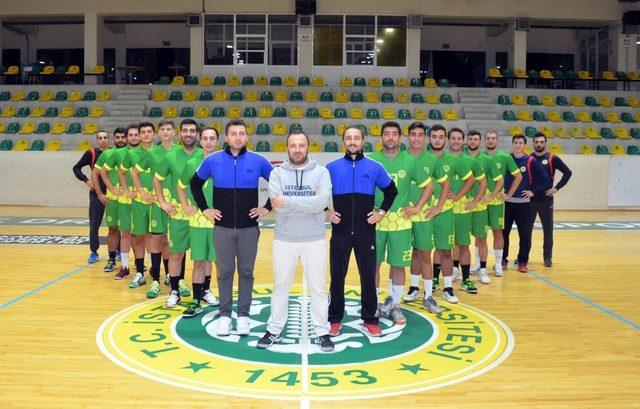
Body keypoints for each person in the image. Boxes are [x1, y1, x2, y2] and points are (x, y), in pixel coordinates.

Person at [191, 119, 273, 336]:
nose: (238, 137)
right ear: (226, 138)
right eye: (233, 133)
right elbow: (194, 183)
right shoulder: (213, 160)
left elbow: (278, 181)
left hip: (248, 229)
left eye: (242, 133)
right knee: (225, 272)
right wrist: (205, 209)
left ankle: (244, 316)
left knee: (246, 272)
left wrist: (266, 208)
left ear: (247, 136)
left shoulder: (258, 160)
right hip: (223, 229)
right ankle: (225, 315)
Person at [256, 131, 334, 352]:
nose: (297, 149)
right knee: (281, 286)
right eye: (293, 145)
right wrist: (309, 203)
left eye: (301, 145)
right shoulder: (277, 173)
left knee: (318, 288)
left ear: (309, 147)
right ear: (287, 148)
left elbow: (321, 203)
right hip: (285, 239)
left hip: (315, 239)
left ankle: (322, 331)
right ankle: (274, 330)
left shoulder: (322, 172)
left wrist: (290, 201)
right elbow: (277, 204)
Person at [325, 126, 397, 337]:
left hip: (366, 231)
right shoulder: (331, 167)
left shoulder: (375, 167)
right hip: (340, 232)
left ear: (363, 141)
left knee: (368, 276)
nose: (353, 141)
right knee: (337, 277)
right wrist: (326, 212)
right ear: (344, 141)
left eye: (357, 138)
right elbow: (317, 192)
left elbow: (391, 191)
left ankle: (370, 319)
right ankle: (335, 318)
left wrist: (381, 212)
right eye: (349, 138)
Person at [369, 121, 433, 325]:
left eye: (394, 134)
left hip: (400, 223)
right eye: (386, 133)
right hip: (375, 222)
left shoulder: (410, 160)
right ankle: (373, 305)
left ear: (399, 137)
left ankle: (396, 306)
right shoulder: (372, 160)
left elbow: (429, 186)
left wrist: (416, 207)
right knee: (373, 265)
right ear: (381, 137)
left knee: (398, 266)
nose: (390, 137)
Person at [154, 119, 202, 306]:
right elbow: (157, 180)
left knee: (202, 256)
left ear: (197, 134)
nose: (188, 134)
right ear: (180, 134)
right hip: (178, 213)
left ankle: (204, 290)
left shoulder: (206, 155)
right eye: (185, 131)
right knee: (176, 254)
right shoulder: (170, 156)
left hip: (201, 214)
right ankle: (174, 291)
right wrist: (162, 202)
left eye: (192, 131)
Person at [402, 122, 447, 314]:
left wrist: (438, 207)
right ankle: (413, 288)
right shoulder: (400, 157)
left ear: (425, 138)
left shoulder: (432, 159)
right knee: (408, 254)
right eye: (413, 134)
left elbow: (444, 185)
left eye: (421, 135)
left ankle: (428, 296)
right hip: (402, 215)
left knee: (424, 254)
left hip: (423, 215)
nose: (417, 138)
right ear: (408, 137)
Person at [177, 127, 221, 317]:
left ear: (217, 141)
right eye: (205, 138)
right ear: (200, 140)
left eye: (212, 138)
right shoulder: (192, 162)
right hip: (199, 221)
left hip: (221, 221)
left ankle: (208, 292)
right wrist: (186, 205)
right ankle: (195, 300)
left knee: (217, 261)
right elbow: (181, 187)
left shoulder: (224, 162)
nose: (209, 142)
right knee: (199, 262)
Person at [132, 120, 176, 297]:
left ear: (174, 132)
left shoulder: (180, 151)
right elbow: (134, 173)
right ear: (159, 133)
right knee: (157, 240)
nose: (166, 132)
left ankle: (174, 279)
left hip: (175, 204)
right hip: (158, 203)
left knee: (173, 243)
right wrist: (142, 192)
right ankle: (156, 280)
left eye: (169, 129)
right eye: (163, 130)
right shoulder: (152, 152)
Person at [429, 125, 468, 304]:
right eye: (434, 136)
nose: (437, 140)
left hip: (445, 211)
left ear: (445, 140)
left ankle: (448, 288)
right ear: (429, 138)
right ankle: (422, 288)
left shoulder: (453, 159)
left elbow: (471, 179)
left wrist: (458, 195)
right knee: (420, 251)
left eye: (440, 137)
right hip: (424, 211)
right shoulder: (422, 158)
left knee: (445, 250)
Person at [503, 134, 550, 273]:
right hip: (508, 203)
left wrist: (533, 191)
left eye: (521, 143)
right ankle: (503, 260)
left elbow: (545, 179)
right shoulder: (507, 159)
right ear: (513, 144)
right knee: (504, 233)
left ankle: (523, 261)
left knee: (524, 234)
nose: (518, 145)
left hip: (524, 204)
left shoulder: (530, 160)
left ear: (524, 145)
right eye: (516, 142)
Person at [447, 128, 486, 293]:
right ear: (448, 140)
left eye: (458, 138)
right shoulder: (442, 159)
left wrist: (475, 201)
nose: (456, 141)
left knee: (463, 245)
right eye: (453, 138)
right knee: (443, 246)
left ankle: (466, 280)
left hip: (463, 210)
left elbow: (483, 183)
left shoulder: (471, 161)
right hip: (444, 210)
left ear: (463, 141)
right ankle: (444, 276)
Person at [120, 122, 156, 288]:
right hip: (139, 203)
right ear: (139, 136)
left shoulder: (161, 153)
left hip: (158, 202)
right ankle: (140, 272)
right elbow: (121, 172)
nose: (146, 135)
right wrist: (127, 190)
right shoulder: (132, 154)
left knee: (158, 238)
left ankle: (159, 272)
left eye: (150, 132)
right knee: (138, 236)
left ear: (154, 135)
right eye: (143, 132)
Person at [101, 124, 140, 280]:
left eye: (135, 135)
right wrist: (111, 188)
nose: (133, 137)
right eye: (130, 135)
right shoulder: (118, 153)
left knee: (143, 235)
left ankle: (142, 265)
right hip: (123, 200)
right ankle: (124, 266)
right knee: (125, 233)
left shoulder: (146, 153)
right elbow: (102, 171)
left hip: (142, 200)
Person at [466, 130, 503, 284]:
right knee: (459, 241)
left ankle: (483, 270)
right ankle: (457, 270)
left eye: (476, 139)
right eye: (470, 139)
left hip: (480, 206)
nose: (473, 141)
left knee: (481, 238)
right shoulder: (460, 158)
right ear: (466, 141)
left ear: (480, 142)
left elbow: (500, 181)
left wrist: (492, 196)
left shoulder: (487, 160)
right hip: (462, 207)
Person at [484, 130, 522, 276]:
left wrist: (509, 194)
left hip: (497, 202)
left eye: (493, 138)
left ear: (497, 140)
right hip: (481, 201)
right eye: (488, 138)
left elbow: (518, 176)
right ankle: (479, 265)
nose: (491, 141)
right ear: (484, 141)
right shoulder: (479, 157)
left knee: (497, 232)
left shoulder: (505, 157)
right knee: (480, 234)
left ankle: (498, 264)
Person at [531, 132, 572, 267]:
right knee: (526, 230)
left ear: (545, 143)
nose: (539, 144)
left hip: (546, 200)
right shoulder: (529, 158)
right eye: (536, 142)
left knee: (547, 230)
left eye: (541, 142)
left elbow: (568, 172)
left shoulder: (552, 158)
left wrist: (557, 187)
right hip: (530, 200)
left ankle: (547, 258)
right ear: (533, 143)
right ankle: (523, 257)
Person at [92, 127, 127, 272]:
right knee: (113, 229)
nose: (120, 140)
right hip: (113, 200)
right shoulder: (107, 154)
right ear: (114, 139)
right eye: (117, 137)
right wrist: (100, 193)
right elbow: (95, 174)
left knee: (136, 233)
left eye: (122, 137)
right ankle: (112, 259)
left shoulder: (135, 154)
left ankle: (137, 262)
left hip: (133, 200)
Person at [73, 129, 109, 264]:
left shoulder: (113, 152)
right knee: (94, 224)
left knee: (116, 225)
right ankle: (94, 251)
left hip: (112, 193)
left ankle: (117, 251)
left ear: (108, 139)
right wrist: (86, 180)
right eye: (100, 138)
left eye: (105, 137)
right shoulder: (91, 153)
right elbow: (76, 168)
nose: (103, 140)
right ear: (97, 139)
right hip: (96, 193)